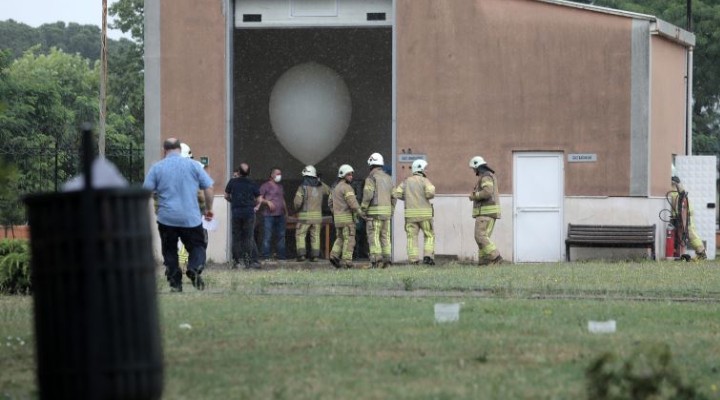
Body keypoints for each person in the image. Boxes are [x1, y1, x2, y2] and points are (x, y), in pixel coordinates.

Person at [143, 138, 214, 292]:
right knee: (197, 247)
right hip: (191, 218)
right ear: (179, 150)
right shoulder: (194, 166)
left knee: (169, 251)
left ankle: (175, 283)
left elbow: (146, 192)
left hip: (166, 218)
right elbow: (208, 188)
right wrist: (209, 208)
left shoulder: (157, 168)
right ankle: (194, 268)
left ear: (164, 150)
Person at [393, 159, 436, 266]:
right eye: (425, 168)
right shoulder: (425, 180)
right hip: (425, 216)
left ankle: (413, 260)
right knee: (429, 235)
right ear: (421, 168)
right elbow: (430, 193)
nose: (427, 170)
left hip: (410, 216)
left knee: (412, 238)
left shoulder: (406, 181)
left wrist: (407, 198)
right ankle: (428, 257)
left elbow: (397, 193)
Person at [225, 163, 263, 269]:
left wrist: (234, 201)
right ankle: (249, 262)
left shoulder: (232, 182)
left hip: (236, 212)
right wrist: (252, 205)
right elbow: (259, 199)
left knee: (236, 237)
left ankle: (237, 262)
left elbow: (226, 196)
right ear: (249, 173)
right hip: (249, 213)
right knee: (248, 237)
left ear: (238, 172)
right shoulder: (252, 183)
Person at [361, 152, 395, 268]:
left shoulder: (371, 178)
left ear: (371, 165)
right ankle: (387, 260)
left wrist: (363, 209)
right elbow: (394, 196)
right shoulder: (389, 178)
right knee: (385, 237)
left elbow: (368, 194)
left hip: (374, 214)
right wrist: (391, 210)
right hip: (386, 214)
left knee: (374, 236)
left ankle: (376, 260)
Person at [468, 155, 504, 265]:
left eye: (473, 168)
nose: (473, 170)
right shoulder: (488, 176)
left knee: (480, 236)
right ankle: (484, 262)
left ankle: (496, 257)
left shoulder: (485, 177)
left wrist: (475, 195)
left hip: (485, 213)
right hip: (488, 213)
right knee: (483, 239)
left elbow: (487, 192)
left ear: (477, 167)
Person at [329, 164, 365, 269]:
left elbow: (330, 203)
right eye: (349, 175)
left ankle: (334, 255)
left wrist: (336, 212)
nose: (351, 177)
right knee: (349, 239)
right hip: (347, 220)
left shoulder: (335, 188)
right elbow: (352, 203)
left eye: (351, 175)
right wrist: (361, 213)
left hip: (338, 220)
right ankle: (346, 261)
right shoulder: (347, 187)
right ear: (343, 175)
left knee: (340, 238)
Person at [293, 165, 331, 262]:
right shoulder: (321, 186)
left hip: (305, 217)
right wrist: (319, 181)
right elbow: (330, 191)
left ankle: (301, 255)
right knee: (315, 236)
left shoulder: (302, 187)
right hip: (317, 218)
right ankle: (315, 256)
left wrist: (296, 209)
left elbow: (297, 202)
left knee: (300, 235)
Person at [670, 173, 707, 260]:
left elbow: (682, 197)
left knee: (690, 232)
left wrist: (682, 216)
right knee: (686, 233)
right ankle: (691, 253)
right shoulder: (675, 189)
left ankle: (701, 252)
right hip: (684, 212)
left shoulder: (676, 189)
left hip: (685, 213)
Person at [259, 167, 287, 261]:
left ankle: (281, 256)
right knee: (267, 236)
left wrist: (286, 212)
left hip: (280, 215)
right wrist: (267, 202)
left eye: (280, 174)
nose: (279, 176)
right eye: (277, 174)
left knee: (281, 236)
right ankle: (265, 256)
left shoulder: (280, 187)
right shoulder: (265, 186)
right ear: (272, 175)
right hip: (268, 215)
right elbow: (258, 199)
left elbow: (282, 199)